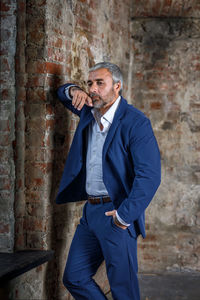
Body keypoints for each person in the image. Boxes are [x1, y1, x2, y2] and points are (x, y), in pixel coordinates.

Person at [56, 62, 161, 300]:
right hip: (90, 213)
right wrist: (74, 91)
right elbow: (61, 93)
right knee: (74, 277)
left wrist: (124, 216)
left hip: (116, 213)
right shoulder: (88, 111)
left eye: (100, 83)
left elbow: (150, 176)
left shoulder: (135, 122)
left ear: (117, 87)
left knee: (123, 290)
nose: (93, 88)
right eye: (90, 83)